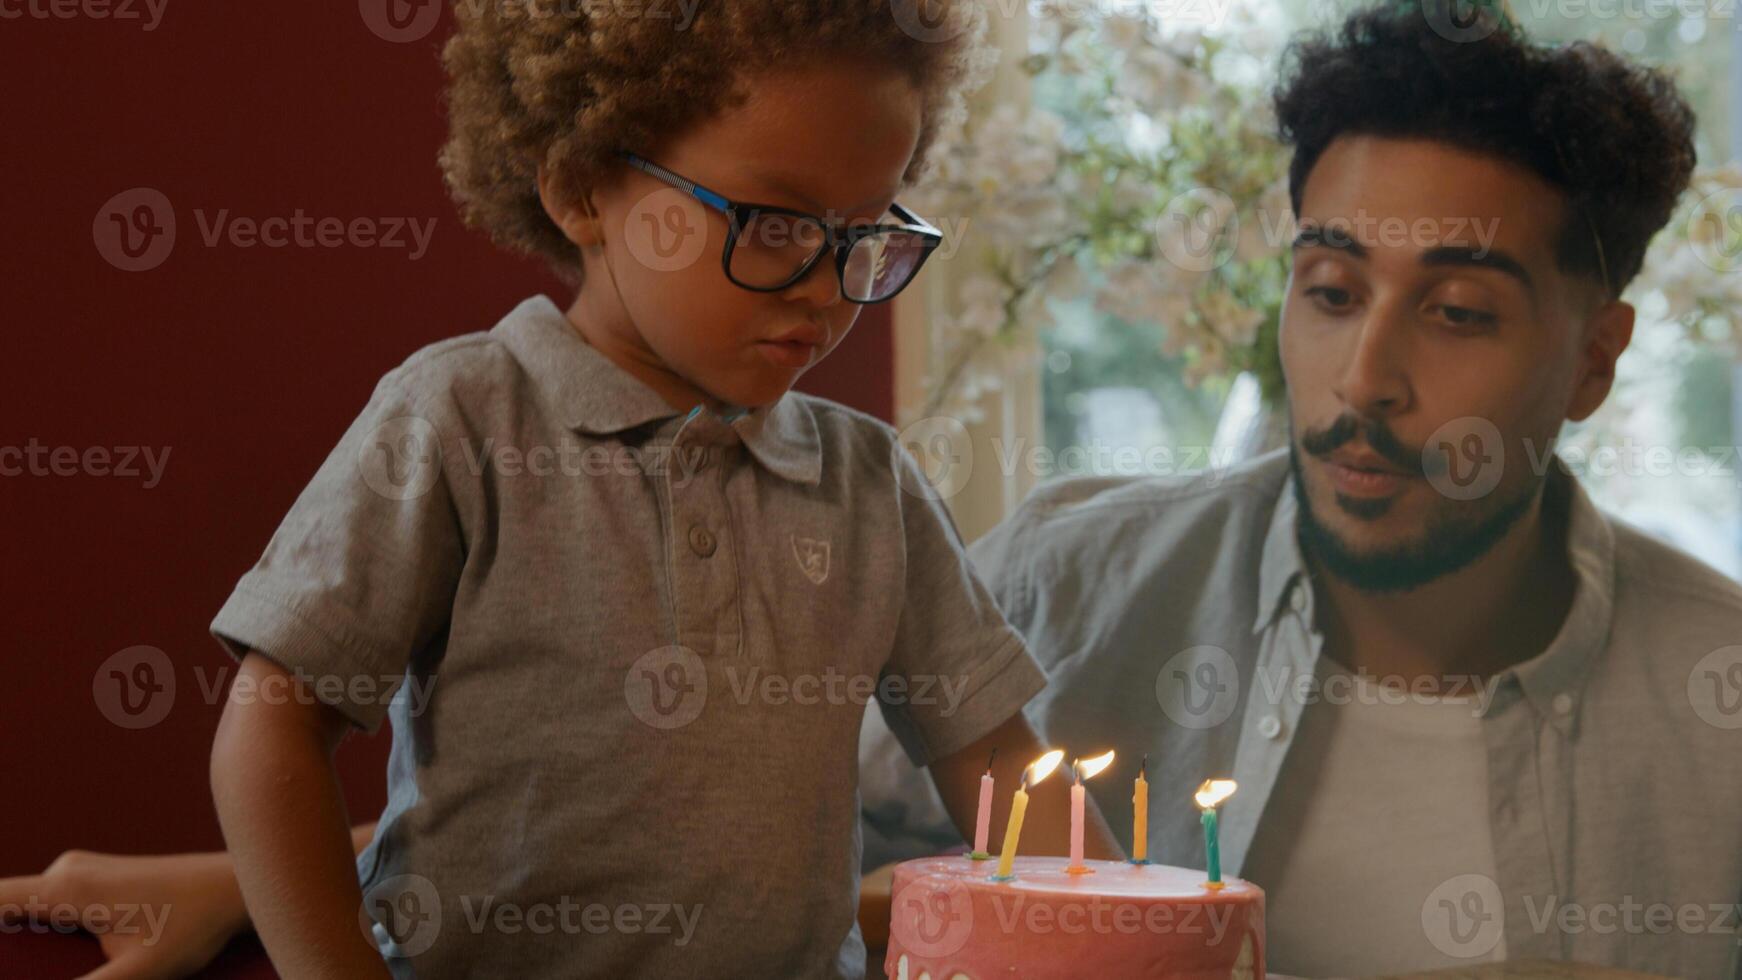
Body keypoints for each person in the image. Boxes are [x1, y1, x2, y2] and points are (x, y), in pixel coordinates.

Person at [1, 2, 1118, 978]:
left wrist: (1145, 933)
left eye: (862, 233)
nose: (827, 289)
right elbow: (270, 730)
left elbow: (1004, 768)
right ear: (585, 189)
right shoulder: (459, 421)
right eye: (774, 224)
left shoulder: (868, 481)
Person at [861, 3, 1741, 977]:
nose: (1364, 379)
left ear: (1592, 360)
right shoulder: (1057, 587)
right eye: (1328, 290)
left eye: (1455, 312)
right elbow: (795, 892)